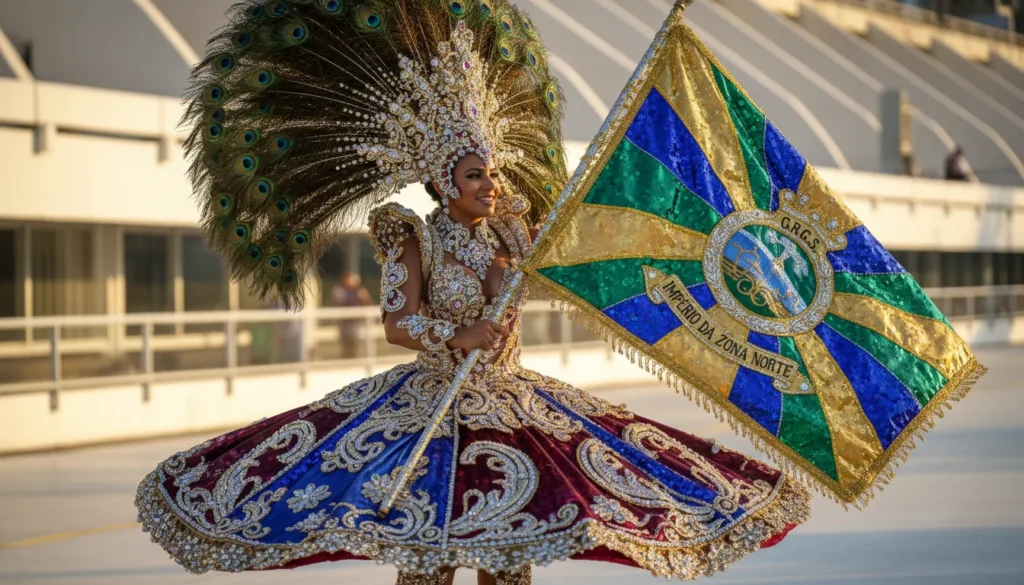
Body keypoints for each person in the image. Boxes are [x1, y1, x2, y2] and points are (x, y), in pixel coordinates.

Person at [134, 3, 809, 584]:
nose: (490, 183)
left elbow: (563, 272)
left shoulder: (512, 230)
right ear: (442, 181)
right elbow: (397, 322)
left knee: (511, 554)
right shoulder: (412, 238)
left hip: (510, 407)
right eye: (474, 174)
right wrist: (456, 336)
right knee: (426, 556)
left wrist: (539, 250)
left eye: (493, 170)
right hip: (429, 406)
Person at [331, 271, 373, 359]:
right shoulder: (340, 291)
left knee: (355, 343)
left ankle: (355, 359)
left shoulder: (359, 291)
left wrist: (364, 297)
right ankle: (345, 360)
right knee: (345, 343)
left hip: (355, 323)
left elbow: (368, 304)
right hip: (344, 322)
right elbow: (337, 304)